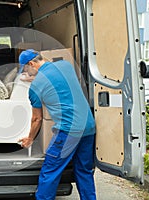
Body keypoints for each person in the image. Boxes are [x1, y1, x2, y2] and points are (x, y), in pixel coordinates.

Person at [18, 49, 96, 200]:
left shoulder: (35, 88)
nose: (26, 73)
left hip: (68, 132)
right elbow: (56, 79)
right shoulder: (65, 65)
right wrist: (36, 79)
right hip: (88, 127)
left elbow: (37, 119)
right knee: (84, 171)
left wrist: (29, 139)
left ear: (31, 64)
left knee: (50, 171)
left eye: (26, 69)